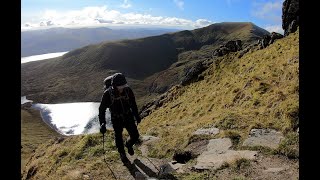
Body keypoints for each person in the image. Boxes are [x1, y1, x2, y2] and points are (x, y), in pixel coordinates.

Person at [99, 73, 141, 164]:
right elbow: (101, 109)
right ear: (114, 86)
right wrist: (102, 123)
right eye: (120, 86)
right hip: (116, 118)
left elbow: (133, 104)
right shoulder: (107, 94)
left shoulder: (128, 90)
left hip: (128, 115)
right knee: (118, 136)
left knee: (135, 135)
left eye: (124, 85)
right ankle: (122, 153)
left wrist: (136, 116)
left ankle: (128, 144)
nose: (122, 88)